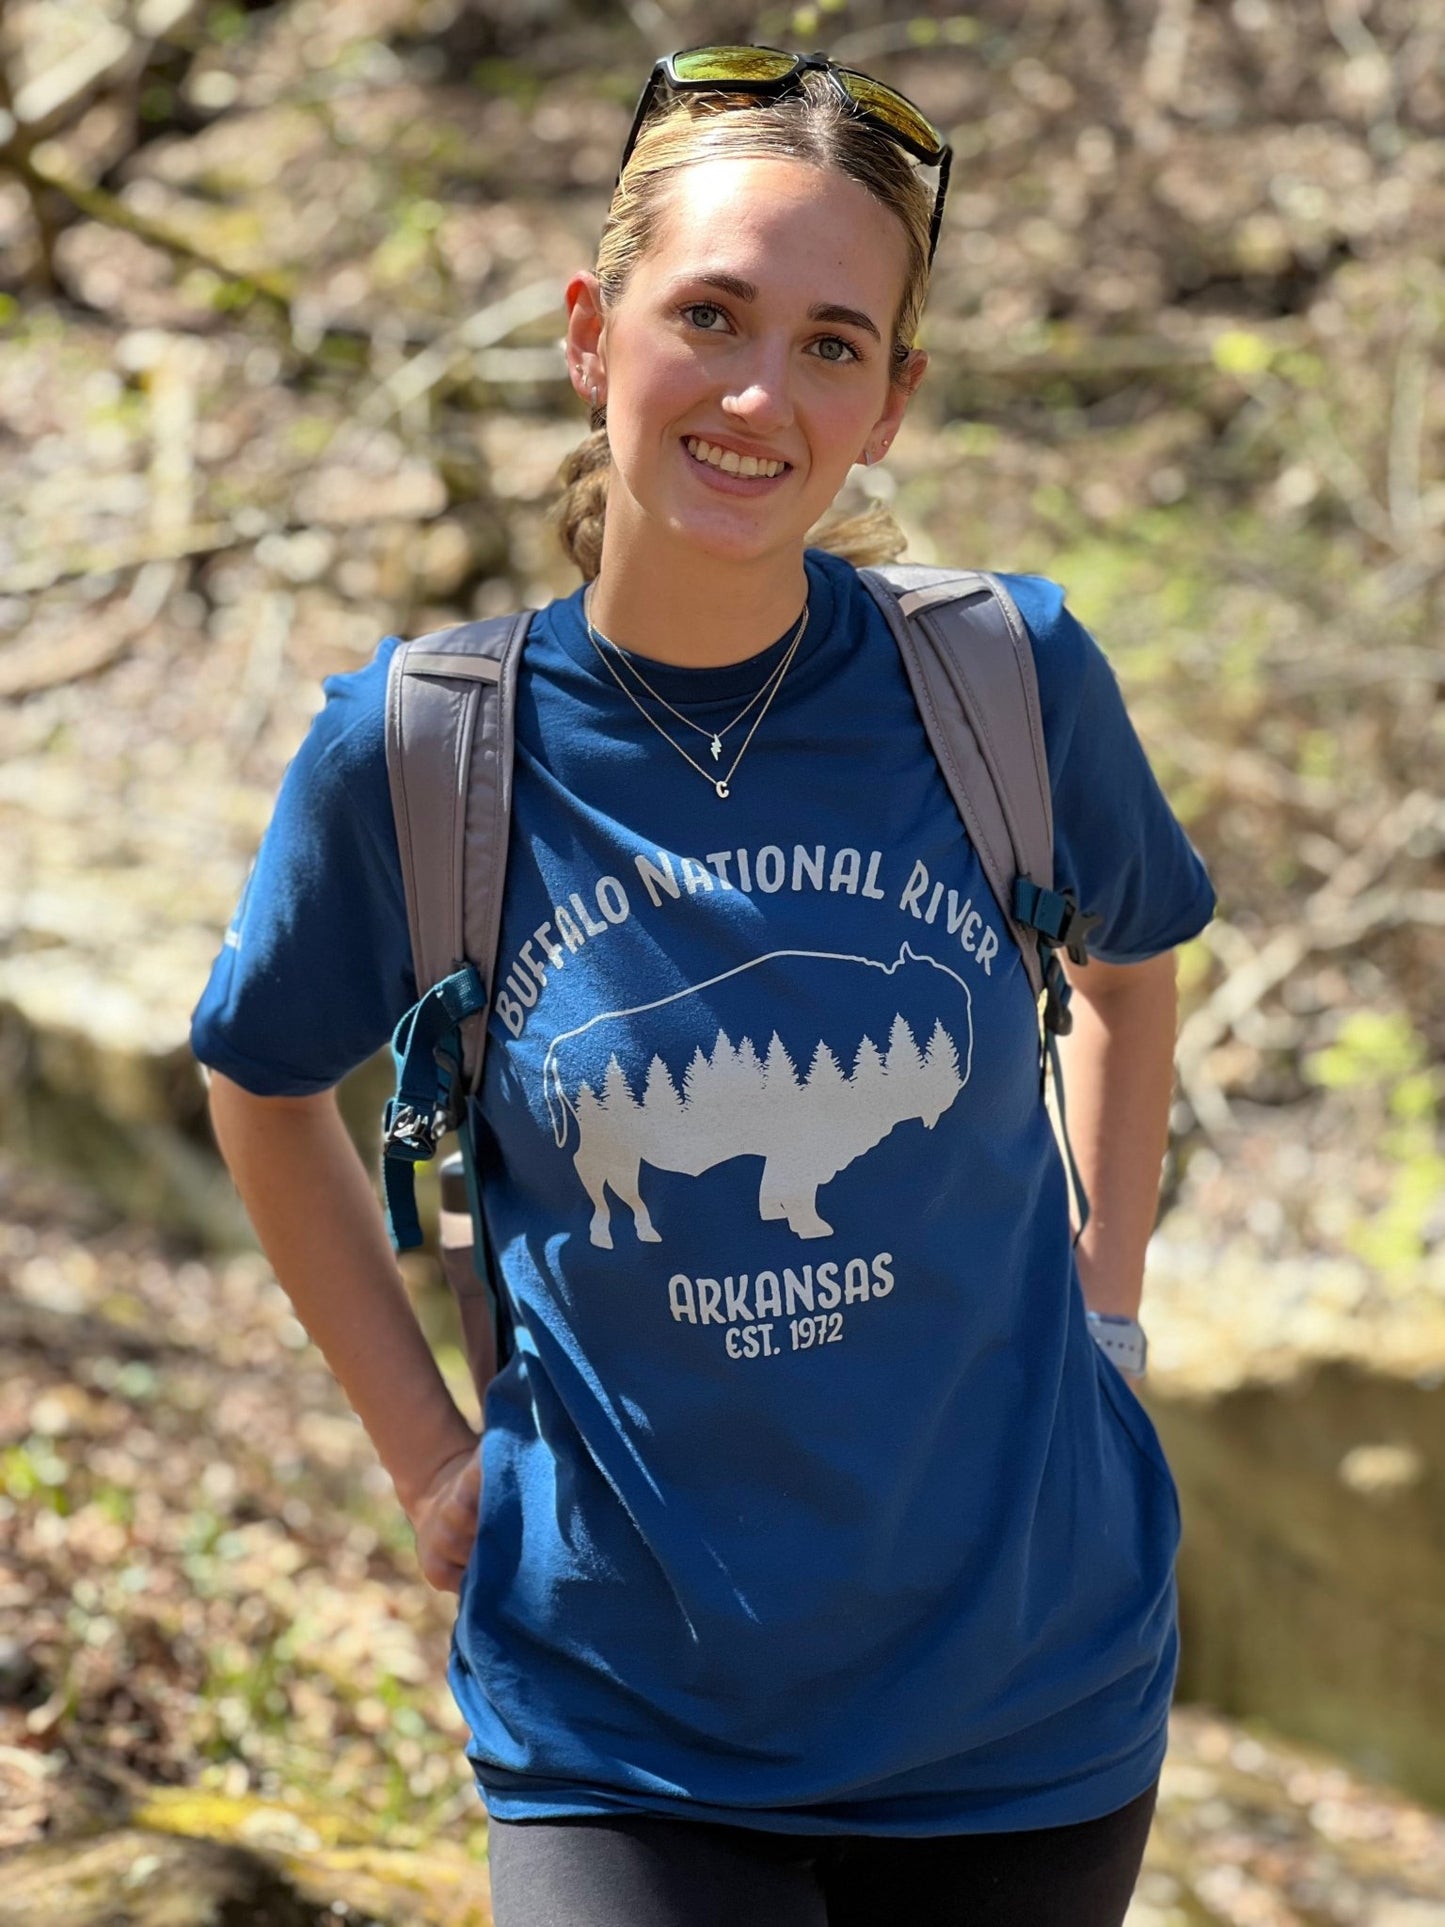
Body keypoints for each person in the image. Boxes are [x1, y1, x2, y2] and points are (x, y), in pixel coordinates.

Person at [191, 44, 1215, 1927]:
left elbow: (1131, 965)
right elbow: (262, 1083)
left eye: (833, 343)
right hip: (623, 1713)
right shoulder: (420, 752)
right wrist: (426, 1453)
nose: (760, 392)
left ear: (891, 402)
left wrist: (1110, 1309)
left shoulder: (1005, 682)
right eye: (711, 314)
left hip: (1024, 1695)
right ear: (593, 334)